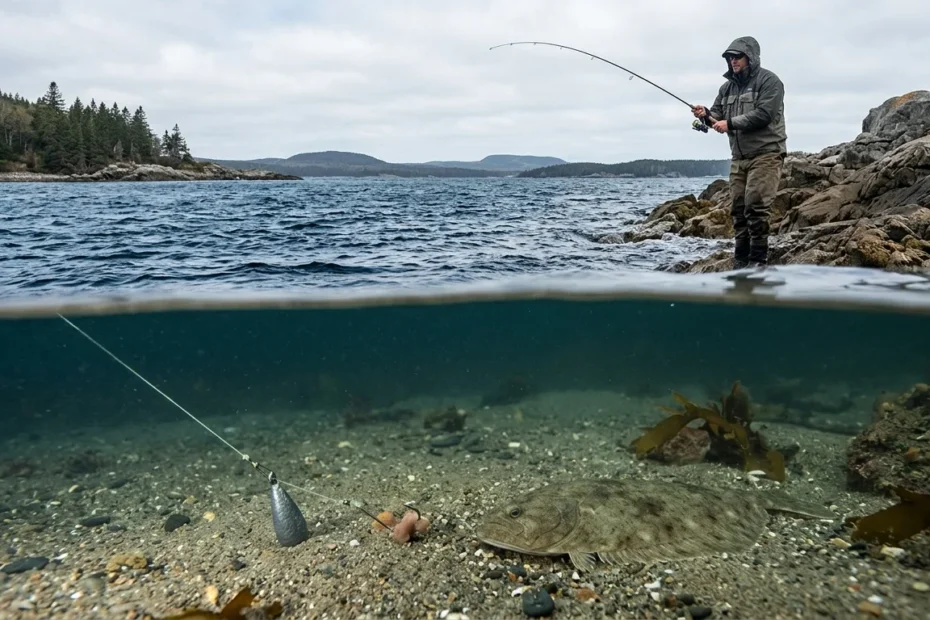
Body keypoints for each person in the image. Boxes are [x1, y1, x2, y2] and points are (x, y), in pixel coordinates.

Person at [692, 36, 787, 267]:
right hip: (739, 158)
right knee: (738, 208)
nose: (733, 61)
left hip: (766, 154)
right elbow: (716, 115)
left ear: (750, 58)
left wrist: (730, 123)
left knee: (756, 206)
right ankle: (740, 260)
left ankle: (757, 261)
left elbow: (764, 114)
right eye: (730, 57)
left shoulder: (770, 82)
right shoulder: (726, 88)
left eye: (738, 57)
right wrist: (704, 114)